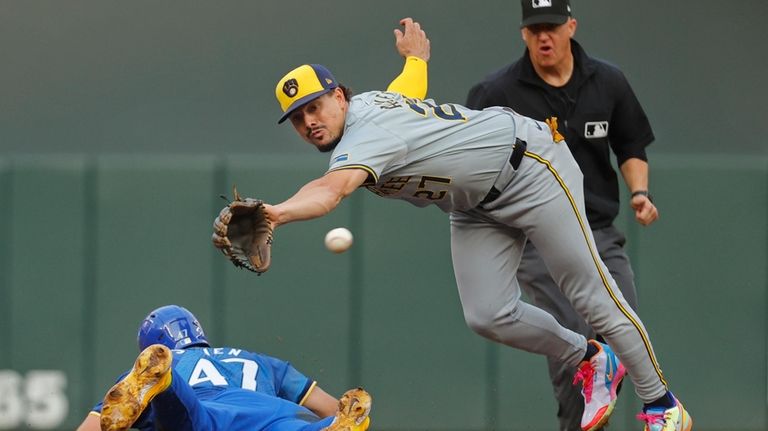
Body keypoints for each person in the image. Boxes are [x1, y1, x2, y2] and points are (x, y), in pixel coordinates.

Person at [215, 15, 693, 431]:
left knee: (590, 293)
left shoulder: (367, 134)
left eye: (315, 106)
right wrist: (415, 59)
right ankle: (588, 358)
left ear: (339, 96)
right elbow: (410, 87)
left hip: (530, 168)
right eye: (297, 118)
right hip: (473, 206)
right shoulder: (372, 109)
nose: (309, 122)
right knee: (487, 313)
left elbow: (330, 191)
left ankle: (661, 403)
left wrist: (275, 212)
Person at [464, 1, 664, 430]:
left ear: (571, 25)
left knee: (623, 322)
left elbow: (631, 144)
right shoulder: (496, 92)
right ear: (523, 33)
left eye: (552, 26)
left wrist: (640, 192)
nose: (544, 37)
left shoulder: (607, 81)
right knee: (577, 337)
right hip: (536, 236)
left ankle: (659, 409)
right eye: (534, 28)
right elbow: (472, 159)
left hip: (597, 229)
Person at [76, 305, 371, 431]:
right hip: (271, 414)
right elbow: (330, 406)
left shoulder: (161, 365)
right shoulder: (261, 360)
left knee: (189, 420)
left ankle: (166, 383)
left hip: (211, 411)